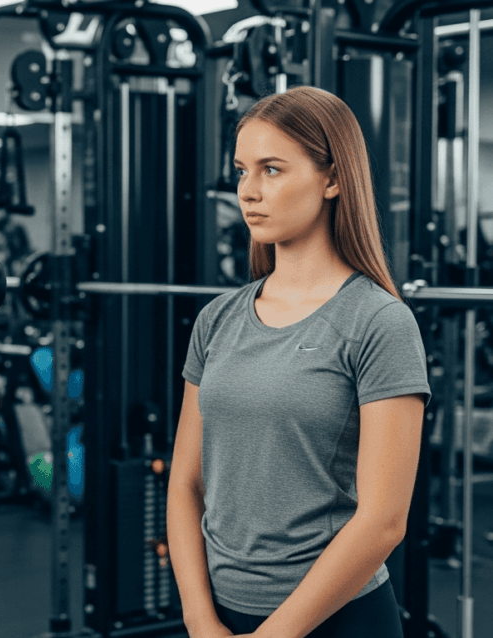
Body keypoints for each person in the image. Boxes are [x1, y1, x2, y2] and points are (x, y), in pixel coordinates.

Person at [166, 85, 430, 638]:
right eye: (242, 171)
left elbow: (383, 521)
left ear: (332, 179)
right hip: (220, 614)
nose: (248, 192)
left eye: (272, 170)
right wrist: (198, 618)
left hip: (337, 619)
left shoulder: (378, 322)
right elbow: (186, 482)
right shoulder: (217, 320)